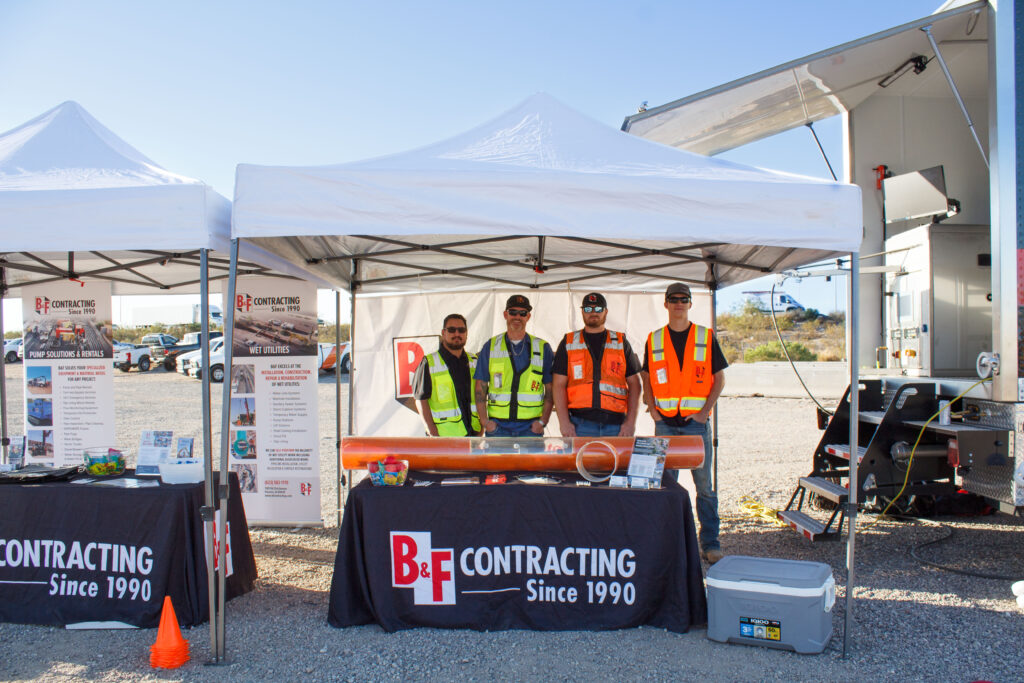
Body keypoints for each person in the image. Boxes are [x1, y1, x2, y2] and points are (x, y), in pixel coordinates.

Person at [641, 282, 728, 564]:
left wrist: (704, 413)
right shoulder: (654, 339)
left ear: (690, 304)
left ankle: (710, 543)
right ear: (665, 304)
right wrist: (652, 408)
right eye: (673, 299)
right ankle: (668, 542)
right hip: (664, 423)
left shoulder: (705, 336)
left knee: (704, 487)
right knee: (664, 485)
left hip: (695, 425)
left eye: (684, 299)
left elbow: (719, 379)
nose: (678, 303)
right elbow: (646, 376)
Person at [552, 292, 641, 437]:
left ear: (606, 312)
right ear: (582, 312)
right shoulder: (569, 342)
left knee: (617, 461)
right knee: (580, 461)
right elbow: (558, 384)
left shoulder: (620, 342)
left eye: (598, 308)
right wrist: (564, 423)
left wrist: (630, 423)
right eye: (588, 309)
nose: (593, 312)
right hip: (579, 424)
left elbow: (635, 384)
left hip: (616, 425)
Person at [474, 295, 554, 437]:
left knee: (531, 461)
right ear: (505, 314)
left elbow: (550, 389)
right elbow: (480, 387)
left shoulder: (543, 348)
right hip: (498, 427)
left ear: (528, 317)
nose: (517, 317)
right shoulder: (491, 346)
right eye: (513, 312)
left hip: (531, 428)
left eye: (522, 313)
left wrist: (543, 422)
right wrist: (485, 422)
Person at [412, 314, 480, 436]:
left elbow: (481, 396)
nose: (457, 334)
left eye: (461, 330)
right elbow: (420, 400)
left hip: (473, 437)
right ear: (443, 333)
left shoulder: (474, 361)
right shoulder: (429, 363)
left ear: (466, 333)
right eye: (452, 330)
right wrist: (433, 434)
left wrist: (481, 430)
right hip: (444, 439)